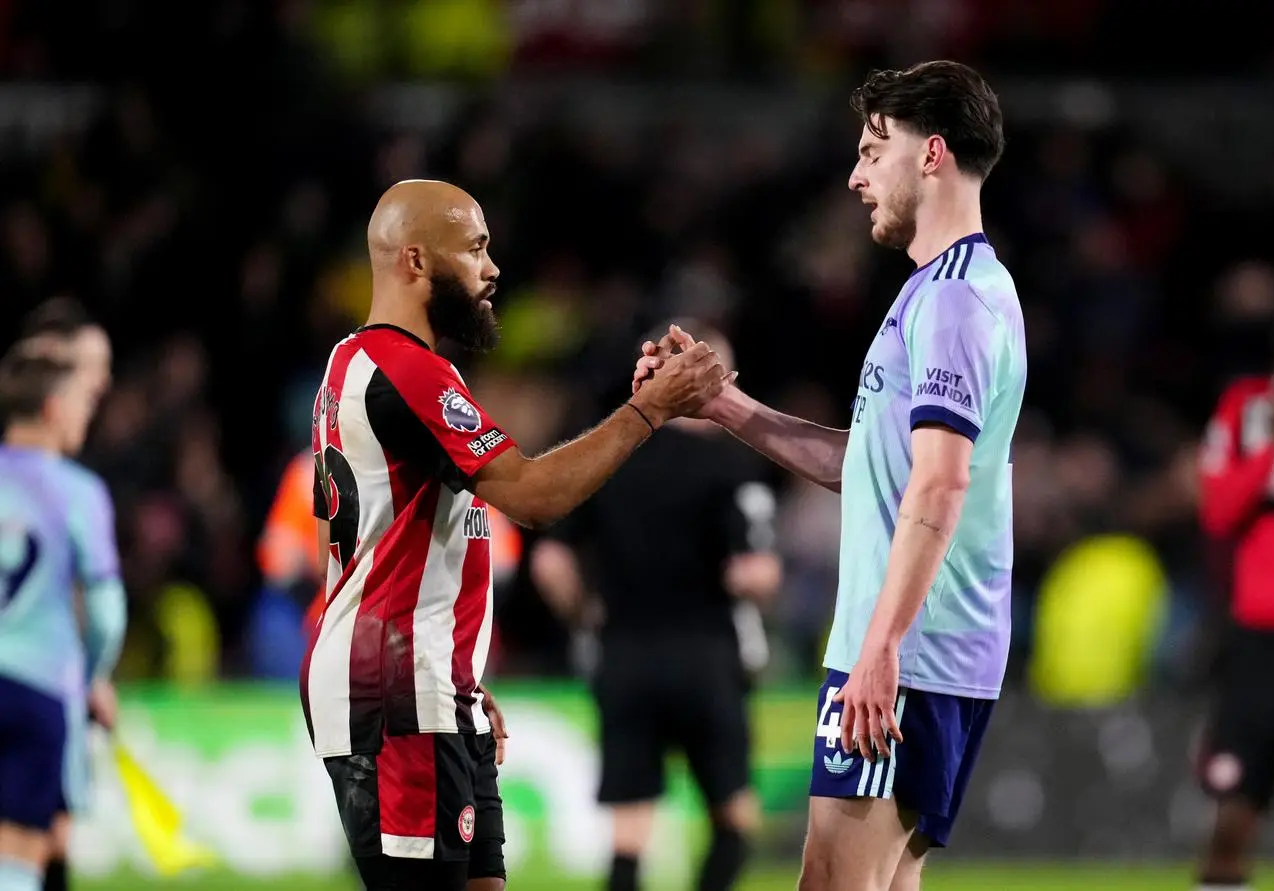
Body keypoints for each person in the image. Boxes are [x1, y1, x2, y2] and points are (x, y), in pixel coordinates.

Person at [634, 61, 1024, 891]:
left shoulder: (954, 299)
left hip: (907, 653)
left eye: (873, 150)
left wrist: (879, 646)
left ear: (931, 155)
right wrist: (726, 405)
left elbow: (939, 485)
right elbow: (876, 469)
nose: (855, 176)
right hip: (915, 648)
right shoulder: (942, 292)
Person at [301, 179, 731, 891]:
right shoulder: (408, 371)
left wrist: (454, 667)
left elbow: (347, 546)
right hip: (399, 687)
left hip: (425, 677)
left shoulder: (353, 364)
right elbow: (536, 495)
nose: (492, 268)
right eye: (474, 249)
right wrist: (649, 408)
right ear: (414, 261)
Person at [530, 323, 781, 891]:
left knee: (629, 831)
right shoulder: (728, 468)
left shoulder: (606, 456)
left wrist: (583, 615)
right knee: (734, 816)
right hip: (706, 655)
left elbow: (551, 563)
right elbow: (755, 573)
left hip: (624, 654)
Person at [0, 348, 128, 891]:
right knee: (21, 853)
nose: (86, 416)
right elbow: (106, 614)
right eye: (80, 403)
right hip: (36, 689)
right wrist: (91, 676)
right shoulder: (78, 491)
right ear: (53, 409)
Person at [1194, 354, 1274, 891]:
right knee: (1237, 795)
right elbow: (1218, 510)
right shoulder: (1247, 407)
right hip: (1261, 631)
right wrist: (1271, 438)